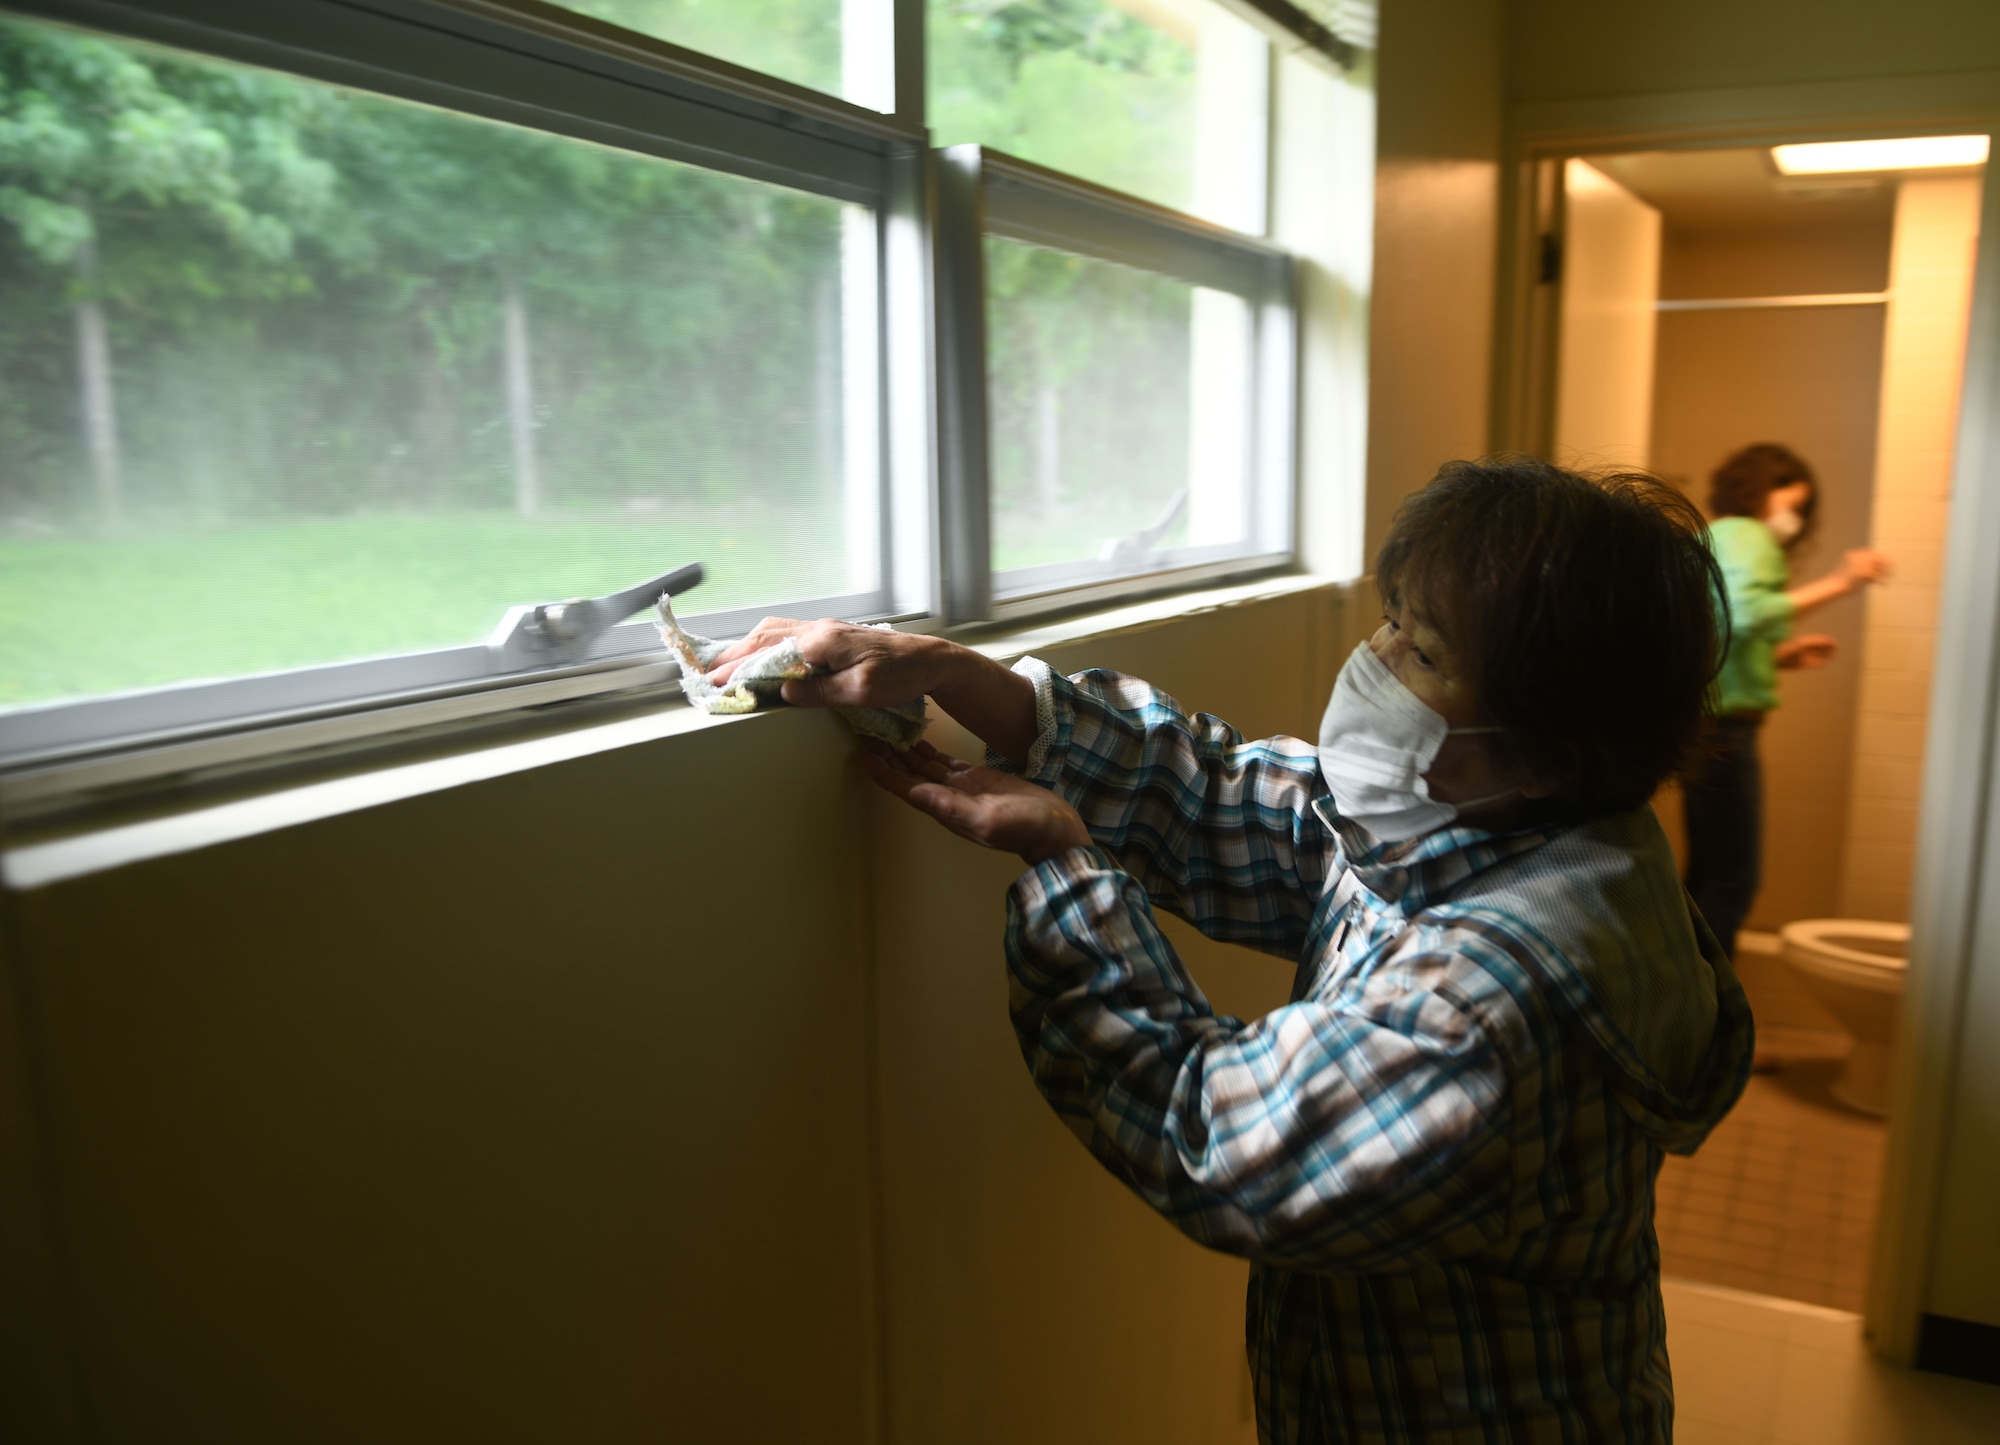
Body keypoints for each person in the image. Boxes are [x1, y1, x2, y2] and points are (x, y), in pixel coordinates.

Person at [709, 457, 1753, 1444]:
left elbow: (1225, 1145)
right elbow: (1239, 803)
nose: (1374, 661)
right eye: (1391, 621)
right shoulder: (1521, 827)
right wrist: (990, 692)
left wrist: (1065, 868)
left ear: (1545, 750)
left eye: (1424, 652)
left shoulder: (1495, 998)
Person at [1685, 443, 1891, 964]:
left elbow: (1716, 631)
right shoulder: (1748, 534)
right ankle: (1710, 1018)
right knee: (1734, 879)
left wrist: (1778, 658)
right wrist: (1841, 584)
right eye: (1789, 504)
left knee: (1707, 873)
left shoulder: (1718, 535)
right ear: (1757, 493)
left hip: (1704, 722)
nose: (1793, 521)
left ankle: (1684, 1008)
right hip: (1726, 730)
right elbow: (1746, 613)